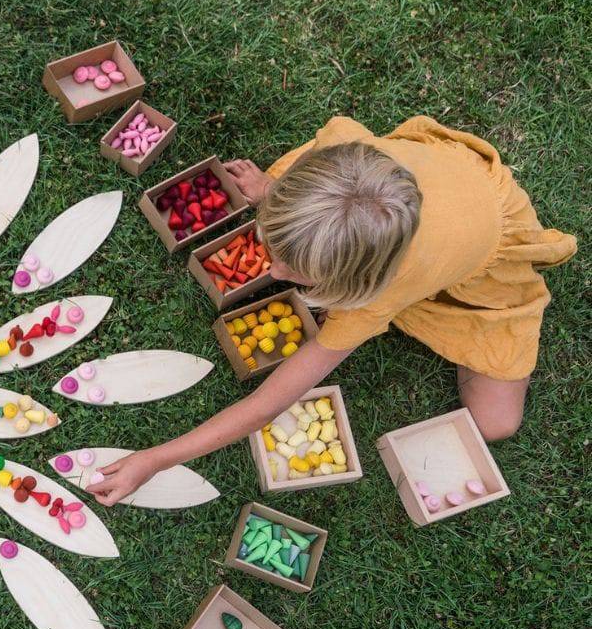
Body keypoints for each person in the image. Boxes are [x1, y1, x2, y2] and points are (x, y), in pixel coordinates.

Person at [86, 116, 576, 507]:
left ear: (354, 284)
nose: (272, 273)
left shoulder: (375, 297)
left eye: (293, 272)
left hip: (485, 246)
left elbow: (268, 403)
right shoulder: (341, 175)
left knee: (495, 425)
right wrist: (272, 192)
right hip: (418, 192)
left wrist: (156, 459)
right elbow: (320, 200)